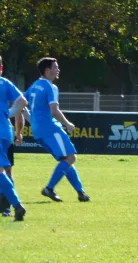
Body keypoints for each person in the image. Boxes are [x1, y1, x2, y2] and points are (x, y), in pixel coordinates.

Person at [25, 57, 91, 203]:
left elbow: (21, 103)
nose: (58, 70)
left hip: (38, 131)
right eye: (55, 67)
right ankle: (49, 188)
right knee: (71, 157)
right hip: (51, 128)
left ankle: (81, 192)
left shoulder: (35, 85)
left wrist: (32, 120)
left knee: (65, 160)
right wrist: (67, 124)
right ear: (47, 71)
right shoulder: (50, 87)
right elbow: (54, 110)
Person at [0, 55, 28, 221]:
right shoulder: (4, 83)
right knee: (4, 170)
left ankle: (15, 204)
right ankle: (6, 202)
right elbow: (23, 102)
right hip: (5, 132)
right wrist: (7, 114)